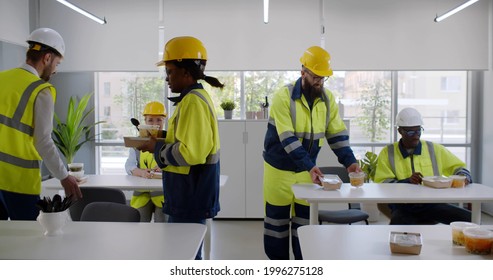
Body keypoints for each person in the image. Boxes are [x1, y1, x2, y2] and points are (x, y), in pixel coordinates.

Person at [262, 46, 361, 260]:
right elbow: (287, 138)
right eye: (316, 76)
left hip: (307, 171)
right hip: (278, 171)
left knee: (304, 225)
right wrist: (309, 165)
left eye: (323, 78)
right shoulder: (283, 97)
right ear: (303, 72)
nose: (319, 82)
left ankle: (302, 266)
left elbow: (336, 134)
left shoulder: (327, 100)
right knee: (276, 225)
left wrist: (350, 162)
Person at [137, 36, 222, 259]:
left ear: (186, 72)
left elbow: (190, 153)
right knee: (186, 254)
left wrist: (156, 148)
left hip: (189, 194)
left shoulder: (193, 101)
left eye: (170, 71)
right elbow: (186, 141)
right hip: (187, 193)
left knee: (185, 257)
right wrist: (160, 140)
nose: (167, 78)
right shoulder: (190, 99)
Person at [0, 28, 82, 220]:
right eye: (57, 63)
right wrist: (64, 176)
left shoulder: (2, 78)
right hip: (18, 182)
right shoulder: (41, 90)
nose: (55, 70)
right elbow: (43, 141)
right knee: (28, 241)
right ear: (46, 58)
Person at [373, 107, 472, 225]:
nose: (416, 136)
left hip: (432, 205)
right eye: (410, 132)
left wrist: (463, 177)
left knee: (471, 219)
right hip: (402, 207)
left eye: (418, 131)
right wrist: (407, 181)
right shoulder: (388, 152)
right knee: (398, 227)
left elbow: (459, 167)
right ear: (400, 131)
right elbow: (382, 184)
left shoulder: (434, 149)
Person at [125, 101, 167, 222]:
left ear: (164, 121)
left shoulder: (170, 140)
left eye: (159, 120)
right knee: (139, 229)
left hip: (163, 195)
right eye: (150, 120)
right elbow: (129, 165)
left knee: (163, 230)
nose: (155, 124)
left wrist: (166, 168)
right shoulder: (137, 142)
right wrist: (141, 172)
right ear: (144, 121)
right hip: (141, 194)